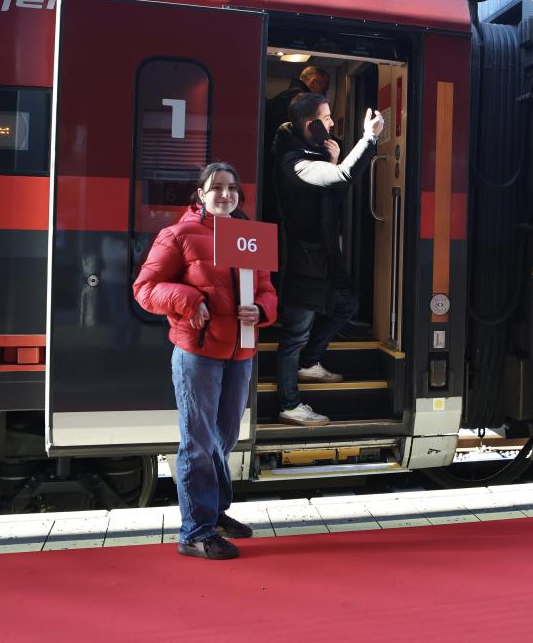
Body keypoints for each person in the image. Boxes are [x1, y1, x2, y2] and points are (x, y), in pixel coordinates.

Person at [133, 162, 278, 560]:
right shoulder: (178, 235)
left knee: (222, 439)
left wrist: (262, 309)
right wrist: (188, 299)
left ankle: (213, 513)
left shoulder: (250, 236)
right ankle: (195, 533)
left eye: (232, 188)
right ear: (200, 194)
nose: (225, 194)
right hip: (198, 354)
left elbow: (267, 289)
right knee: (197, 442)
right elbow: (145, 288)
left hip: (240, 354)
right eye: (216, 187)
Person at [271, 92, 384, 426]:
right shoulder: (293, 161)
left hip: (321, 258)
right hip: (301, 262)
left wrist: (334, 162)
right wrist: (369, 138)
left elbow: (335, 194)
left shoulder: (313, 155)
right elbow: (343, 178)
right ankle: (289, 404)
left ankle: (310, 362)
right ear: (311, 124)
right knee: (294, 335)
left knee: (347, 303)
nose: (333, 123)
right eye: (327, 117)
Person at [261, 65, 331, 223]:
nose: (324, 94)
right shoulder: (303, 102)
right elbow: (312, 141)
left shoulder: (283, 98)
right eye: (324, 88)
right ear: (313, 82)